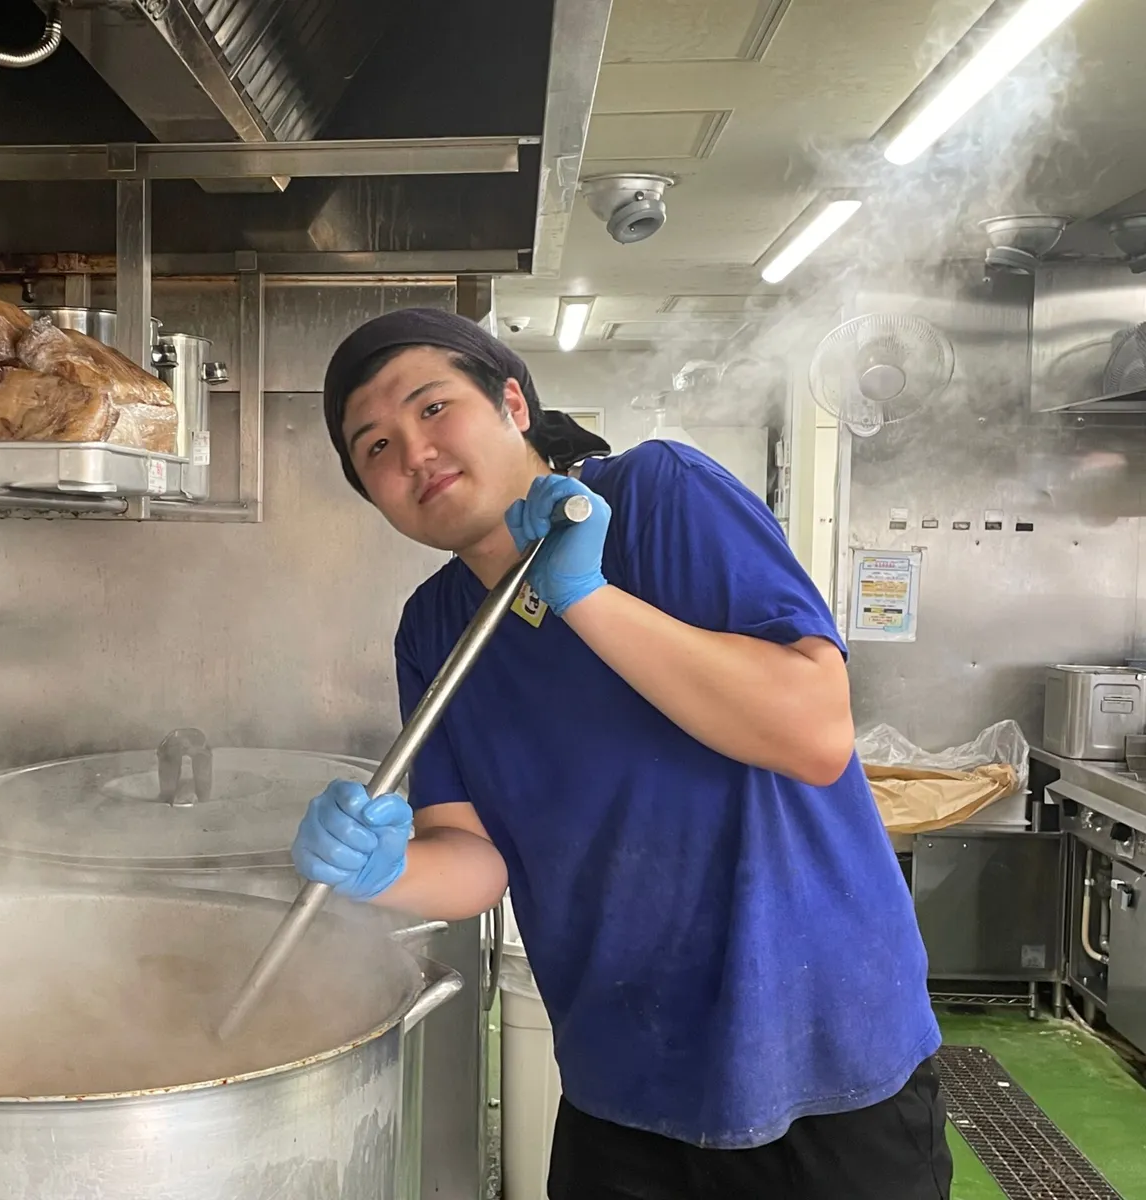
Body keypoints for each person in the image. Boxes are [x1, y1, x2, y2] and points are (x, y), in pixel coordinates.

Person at [293, 309, 951, 1199]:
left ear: (513, 403)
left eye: (433, 408)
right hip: (626, 1073)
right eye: (373, 447)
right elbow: (477, 858)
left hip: (822, 1048)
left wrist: (585, 597)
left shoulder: (659, 497)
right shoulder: (434, 629)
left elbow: (814, 732)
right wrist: (380, 872)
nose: (412, 452)